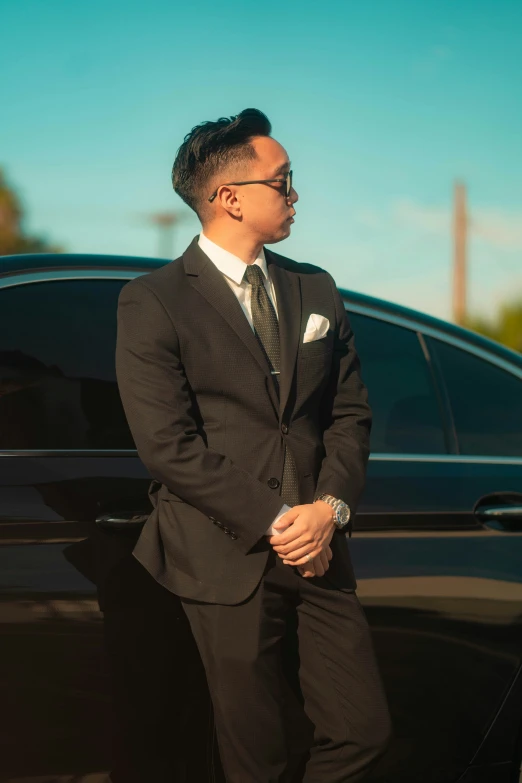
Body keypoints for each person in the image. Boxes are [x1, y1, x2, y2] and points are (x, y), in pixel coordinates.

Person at [115, 108, 392, 783]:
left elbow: (349, 415)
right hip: (224, 554)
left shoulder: (315, 287)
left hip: (321, 546)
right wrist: (275, 520)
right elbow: (167, 445)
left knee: (365, 733)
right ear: (228, 197)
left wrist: (330, 507)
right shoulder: (151, 302)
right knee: (255, 757)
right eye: (283, 181)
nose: (296, 194)